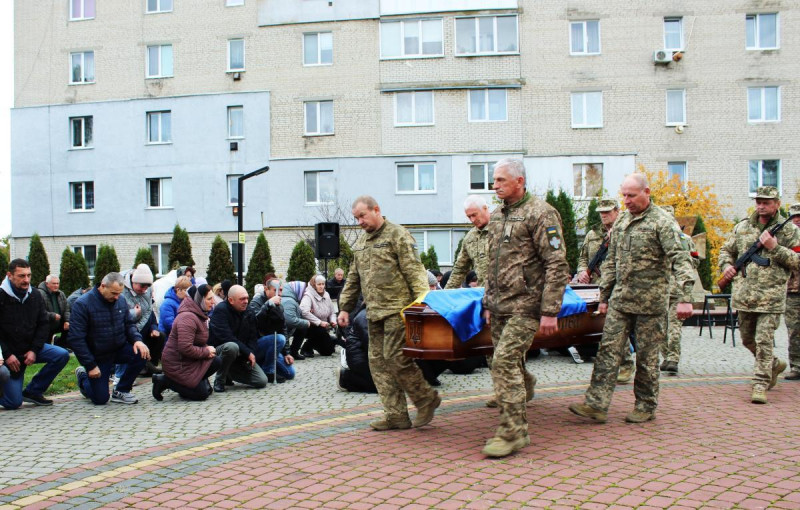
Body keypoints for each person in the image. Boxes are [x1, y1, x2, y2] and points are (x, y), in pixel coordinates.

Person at [569, 173, 695, 423]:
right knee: (607, 351)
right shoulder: (623, 220)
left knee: (647, 358)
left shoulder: (662, 222)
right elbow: (612, 261)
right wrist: (603, 296)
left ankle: (646, 405)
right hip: (620, 301)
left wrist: (685, 297)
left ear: (646, 192)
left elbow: (681, 259)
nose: (626, 201)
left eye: (631, 195)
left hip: (651, 304)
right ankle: (596, 404)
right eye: (624, 195)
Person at [482, 158, 570, 457]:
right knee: (507, 361)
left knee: (503, 362)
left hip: (527, 305)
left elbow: (557, 264)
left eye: (501, 181)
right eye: (494, 181)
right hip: (500, 305)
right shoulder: (496, 217)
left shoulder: (541, 213)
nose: (495, 186)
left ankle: (513, 432)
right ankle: (524, 389)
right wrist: (487, 302)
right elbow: (491, 265)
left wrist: (549, 311)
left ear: (519, 181)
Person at [337, 195, 440, 431]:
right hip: (374, 313)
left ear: (376, 210)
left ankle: (426, 399)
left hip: (399, 311)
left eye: (362, 216)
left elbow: (415, 270)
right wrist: (345, 307)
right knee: (378, 364)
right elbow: (353, 279)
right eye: (356, 218)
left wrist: (422, 302)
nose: (359, 222)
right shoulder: (361, 244)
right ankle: (396, 416)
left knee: (396, 358)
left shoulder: (397, 235)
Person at [718, 186, 800, 403]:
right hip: (744, 295)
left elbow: (797, 261)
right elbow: (726, 250)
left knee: (764, 340)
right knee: (747, 339)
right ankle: (773, 364)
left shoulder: (789, 231)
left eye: (767, 202)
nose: (761, 206)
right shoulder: (743, 227)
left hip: (771, 297)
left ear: (777, 204)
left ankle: (760, 383)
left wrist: (775, 247)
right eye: (759, 202)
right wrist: (725, 265)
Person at [70, 272, 151, 405]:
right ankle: (84, 377)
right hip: (98, 355)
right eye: (114, 293)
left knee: (142, 354)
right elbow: (76, 339)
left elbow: (129, 324)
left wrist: (137, 340)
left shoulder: (120, 300)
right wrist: (90, 365)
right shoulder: (83, 304)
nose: (117, 297)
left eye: (119, 293)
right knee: (101, 399)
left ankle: (122, 390)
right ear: (103, 286)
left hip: (118, 348)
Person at [0, 259, 70, 408]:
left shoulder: (35, 295)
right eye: (21, 276)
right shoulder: (1, 296)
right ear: (9, 275)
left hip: (30, 349)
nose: (26, 280)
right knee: (13, 403)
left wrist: (34, 350)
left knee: (61, 355)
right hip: (8, 356)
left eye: (28, 275)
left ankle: (33, 391)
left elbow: (43, 324)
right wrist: (7, 354)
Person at [153, 284, 222, 401]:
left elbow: (197, 342)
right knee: (202, 394)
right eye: (209, 299)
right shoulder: (187, 318)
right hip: (177, 364)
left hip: (188, 361)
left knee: (216, 361)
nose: (213, 302)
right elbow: (185, 348)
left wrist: (207, 350)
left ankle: (190, 385)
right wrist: (206, 351)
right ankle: (164, 381)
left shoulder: (199, 313)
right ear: (199, 300)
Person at [658, 205, 700, 375]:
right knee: (665, 326)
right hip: (667, 289)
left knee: (669, 326)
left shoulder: (683, 239)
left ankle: (672, 358)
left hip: (672, 288)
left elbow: (694, 261)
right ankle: (669, 357)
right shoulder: (684, 238)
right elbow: (695, 262)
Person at [207, 285, 268, 392]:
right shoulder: (221, 310)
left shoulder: (249, 311)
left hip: (241, 353)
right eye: (242, 299)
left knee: (261, 381)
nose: (245, 301)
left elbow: (253, 337)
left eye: (247, 298)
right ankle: (220, 380)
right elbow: (226, 337)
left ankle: (229, 372)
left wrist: (250, 354)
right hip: (221, 351)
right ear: (231, 300)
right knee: (232, 346)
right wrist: (247, 352)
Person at [250, 275, 296, 383]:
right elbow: (255, 321)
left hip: (273, 344)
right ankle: (268, 370)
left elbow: (283, 328)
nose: (279, 294)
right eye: (275, 290)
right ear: (266, 289)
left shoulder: (280, 305)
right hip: (258, 343)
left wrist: (287, 353)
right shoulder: (256, 301)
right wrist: (268, 304)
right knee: (279, 339)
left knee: (290, 373)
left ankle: (264, 364)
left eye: (280, 290)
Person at [445, 195, 491, 289]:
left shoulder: (503, 228)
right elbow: (459, 269)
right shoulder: (470, 238)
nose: (472, 220)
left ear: (485, 208)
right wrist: (446, 294)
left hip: (510, 294)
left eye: (474, 215)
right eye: (469, 216)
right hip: (485, 294)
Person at [336, 300, 377, 393]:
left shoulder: (369, 314)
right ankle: (345, 377)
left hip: (364, 355)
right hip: (359, 359)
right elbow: (369, 342)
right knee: (378, 386)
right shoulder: (364, 316)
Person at [299, 275, 337, 356]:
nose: (321, 286)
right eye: (319, 284)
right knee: (319, 330)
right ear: (314, 285)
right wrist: (319, 322)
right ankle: (306, 348)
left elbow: (332, 312)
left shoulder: (326, 294)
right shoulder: (308, 295)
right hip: (310, 326)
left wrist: (333, 321)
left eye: (323, 284)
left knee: (328, 351)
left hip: (324, 327)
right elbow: (304, 312)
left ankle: (329, 339)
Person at [785, 203, 800, 381]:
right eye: (794, 217)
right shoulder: (785, 239)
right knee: (794, 331)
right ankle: (796, 366)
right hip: (792, 291)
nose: (797, 220)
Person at [37, 274, 70, 348]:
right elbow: (39, 312)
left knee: (71, 327)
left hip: (59, 322)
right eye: (54, 283)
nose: (56, 286)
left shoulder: (61, 294)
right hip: (46, 324)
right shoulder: (39, 294)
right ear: (47, 284)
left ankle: (60, 345)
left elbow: (66, 309)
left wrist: (67, 321)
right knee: (45, 345)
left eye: (57, 283)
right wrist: (52, 315)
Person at [283, 281, 311, 359]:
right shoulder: (289, 301)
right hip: (283, 332)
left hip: (285, 330)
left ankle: (293, 352)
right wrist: (305, 322)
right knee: (303, 327)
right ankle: (292, 352)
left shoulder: (289, 298)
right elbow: (289, 320)